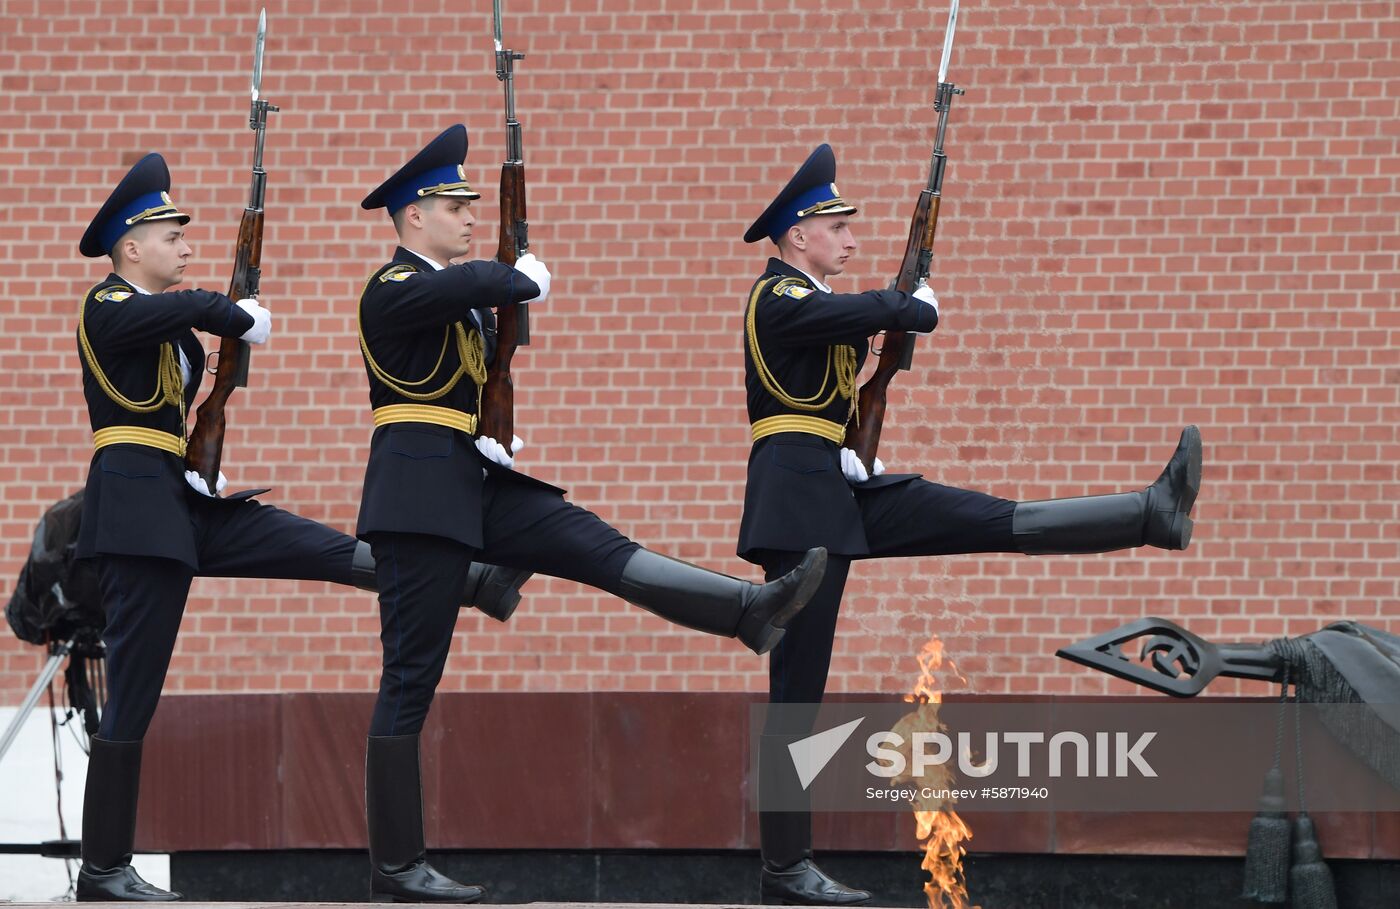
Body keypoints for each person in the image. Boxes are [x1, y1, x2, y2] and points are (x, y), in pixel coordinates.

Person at [352, 123, 829, 903]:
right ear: (412, 217)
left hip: (479, 482)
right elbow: (457, 291)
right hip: (416, 503)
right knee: (411, 676)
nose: (469, 217)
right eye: (454, 206)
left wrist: (494, 418)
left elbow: (478, 355)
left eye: (473, 205)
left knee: (596, 543)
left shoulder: (463, 293)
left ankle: (745, 609)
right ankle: (397, 867)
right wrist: (514, 277)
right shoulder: (392, 285)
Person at [739, 144, 1203, 905]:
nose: (850, 238)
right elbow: (852, 313)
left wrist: (884, 364)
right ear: (796, 235)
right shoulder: (777, 298)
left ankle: (1147, 514)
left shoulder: (815, 303)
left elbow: (851, 371)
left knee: (983, 517)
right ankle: (786, 868)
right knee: (799, 693)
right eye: (837, 226)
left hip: (843, 488)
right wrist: (905, 303)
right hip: (796, 510)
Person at [72, 153, 527, 901]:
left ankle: (466, 579)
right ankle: (103, 868)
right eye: (171, 235)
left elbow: (181, 384)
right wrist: (229, 312)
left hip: (184, 502)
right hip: (136, 516)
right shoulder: (107, 305)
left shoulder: (165, 323)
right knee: (134, 694)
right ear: (128, 248)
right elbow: (171, 319)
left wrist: (204, 443)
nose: (186, 245)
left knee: (302, 541)